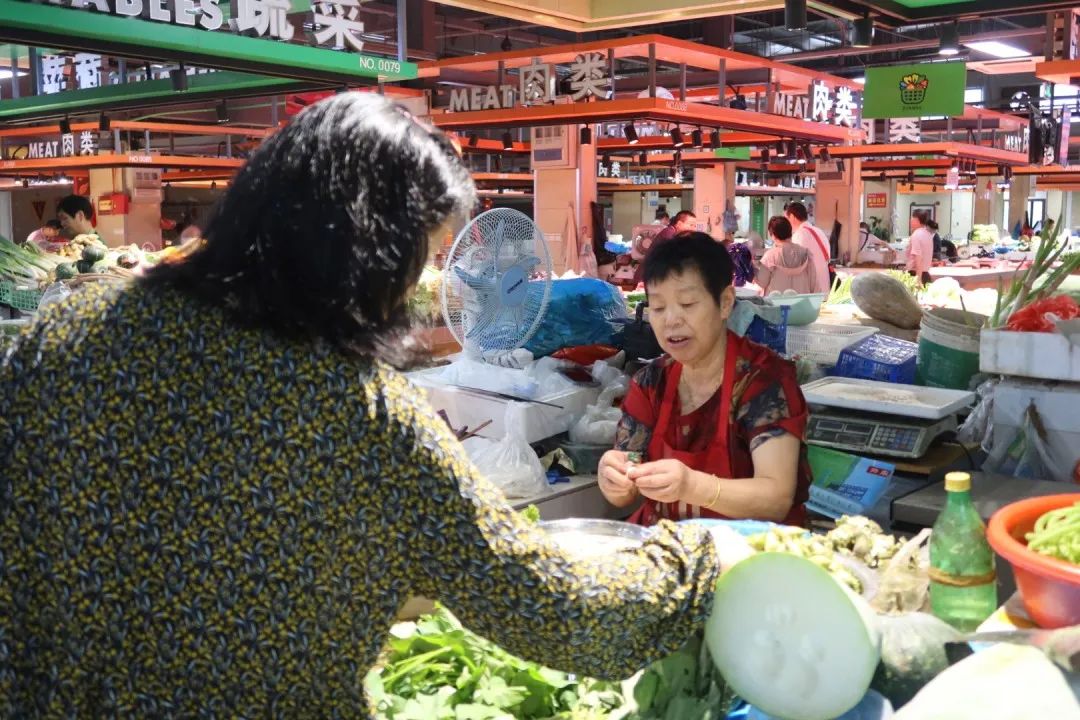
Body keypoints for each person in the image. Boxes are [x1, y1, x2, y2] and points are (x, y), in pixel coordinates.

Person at [0, 93, 727, 717]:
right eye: (419, 254)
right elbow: (543, 605)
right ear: (370, 255)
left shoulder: (67, 333)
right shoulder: (361, 416)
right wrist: (702, 561)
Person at [599, 232, 812, 526]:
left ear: (725, 303)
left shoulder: (763, 380)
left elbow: (776, 498)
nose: (671, 320)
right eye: (658, 307)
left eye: (687, 304)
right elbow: (626, 487)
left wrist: (693, 486)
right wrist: (613, 479)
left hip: (754, 548)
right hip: (666, 543)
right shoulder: (651, 383)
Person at [756, 216, 821, 295]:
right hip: (802, 301)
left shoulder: (770, 257)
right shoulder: (805, 254)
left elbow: (762, 282)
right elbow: (814, 285)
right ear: (790, 232)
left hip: (775, 302)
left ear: (773, 235)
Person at [635, 209, 696, 284]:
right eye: (691, 225)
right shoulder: (668, 234)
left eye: (695, 226)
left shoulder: (672, 233)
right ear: (679, 224)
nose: (694, 229)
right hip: (647, 278)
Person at [785, 201, 831, 295]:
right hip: (824, 287)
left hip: (808, 291)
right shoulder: (819, 232)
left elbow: (794, 264)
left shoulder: (799, 235)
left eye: (787, 218)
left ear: (792, 217)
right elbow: (828, 257)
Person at [907, 209, 935, 285]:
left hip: (916, 274)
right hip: (925, 275)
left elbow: (918, 257)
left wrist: (918, 279)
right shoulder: (928, 234)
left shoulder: (916, 235)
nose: (910, 220)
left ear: (917, 220)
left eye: (912, 218)